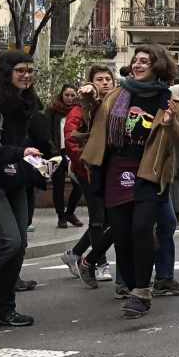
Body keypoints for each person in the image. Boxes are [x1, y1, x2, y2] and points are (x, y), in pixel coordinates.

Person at [80, 44, 179, 319]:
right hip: (115, 171)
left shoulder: (171, 103)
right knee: (121, 234)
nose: (138, 65)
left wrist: (171, 125)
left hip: (149, 174)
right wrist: (87, 102)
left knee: (142, 229)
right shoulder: (116, 96)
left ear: (157, 66)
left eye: (145, 61)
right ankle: (131, 287)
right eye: (136, 60)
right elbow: (95, 127)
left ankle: (142, 291)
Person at [0, 51, 53, 327]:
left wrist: (44, 160)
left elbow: (31, 141)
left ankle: (3, 310)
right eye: (20, 70)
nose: (27, 75)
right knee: (8, 240)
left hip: (16, 180)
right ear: (4, 72)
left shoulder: (25, 103)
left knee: (17, 246)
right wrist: (18, 153)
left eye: (30, 71)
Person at [63, 66, 116, 283]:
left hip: (109, 170)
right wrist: (86, 163)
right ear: (91, 82)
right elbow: (71, 139)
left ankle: (75, 253)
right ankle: (98, 263)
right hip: (87, 170)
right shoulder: (81, 108)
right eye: (99, 79)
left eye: (108, 79)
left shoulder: (117, 103)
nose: (105, 83)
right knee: (97, 219)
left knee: (108, 219)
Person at [45, 85, 83, 228]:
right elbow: (47, 132)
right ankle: (61, 217)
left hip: (73, 152)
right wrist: (52, 150)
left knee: (79, 184)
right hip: (57, 152)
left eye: (73, 95)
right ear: (62, 95)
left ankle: (70, 213)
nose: (70, 98)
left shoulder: (79, 111)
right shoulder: (53, 111)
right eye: (67, 95)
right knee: (58, 186)